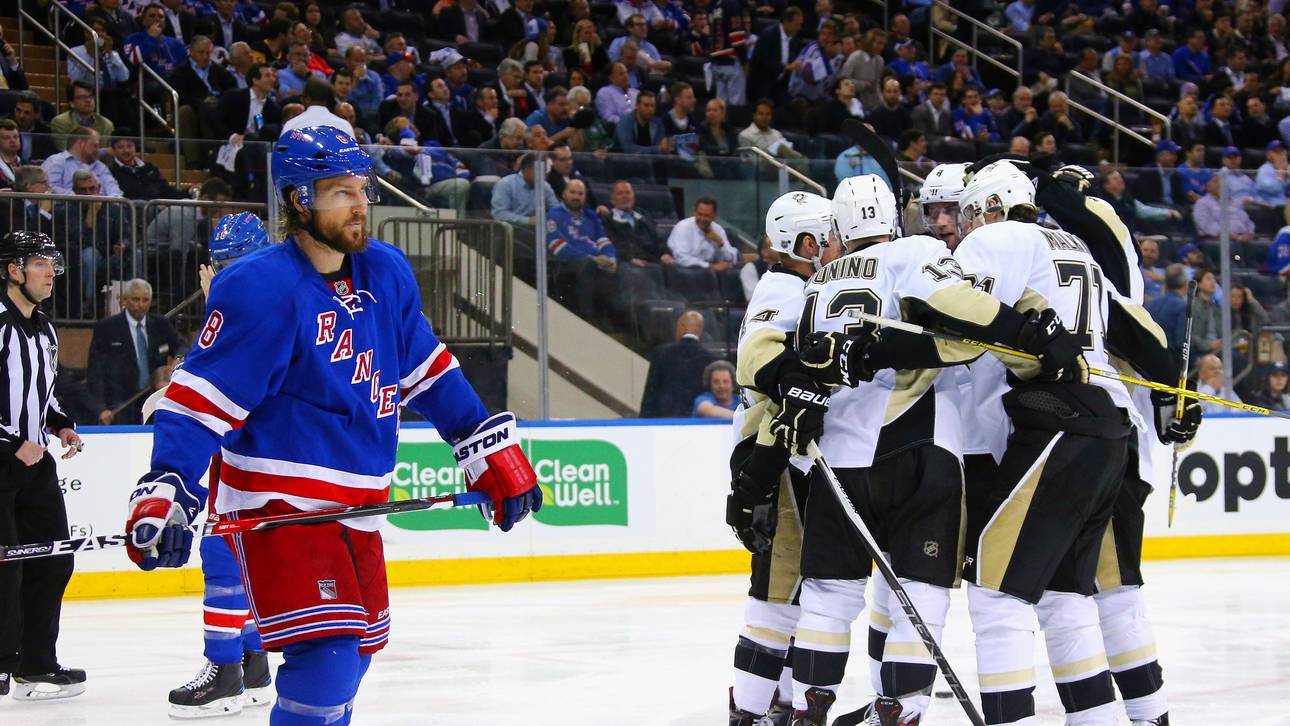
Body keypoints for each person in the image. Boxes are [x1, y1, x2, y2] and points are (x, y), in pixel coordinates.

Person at [124, 125, 542, 725]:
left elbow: (429, 370)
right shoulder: (259, 285)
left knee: (353, 663)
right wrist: (168, 485)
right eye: (341, 190)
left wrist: (483, 447)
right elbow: (198, 402)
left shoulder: (385, 272)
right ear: (299, 199)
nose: (360, 203)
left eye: (362, 188)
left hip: (359, 511)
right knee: (325, 664)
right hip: (283, 512)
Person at [783, 171, 1093, 726]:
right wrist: (1031, 338)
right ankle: (903, 710)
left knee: (830, 595)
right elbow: (962, 309)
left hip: (835, 457)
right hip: (920, 447)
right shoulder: (915, 251)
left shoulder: (818, 282)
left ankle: (809, 708)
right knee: (920, 591)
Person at [951, 161, 1191, 726]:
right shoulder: (1072, 245)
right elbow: (1142, 331)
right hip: (1112, 428)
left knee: (995, 588)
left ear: (992, 206)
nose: (965, 226)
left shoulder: (1002, 236)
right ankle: (1126, 716)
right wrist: (1178, 397)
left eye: (971, 212)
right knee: (1072, 592)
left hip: (1060, 420)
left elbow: (953, 311)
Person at [726, 190, 833, 725]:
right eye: (830, 234)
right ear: (807, 242)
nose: (838, 243)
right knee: (775, 588)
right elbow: (756, 359)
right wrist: (796, 381)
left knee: (794, 591)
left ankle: (780, 703)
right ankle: (748, 710)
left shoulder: (803, 287)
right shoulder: (783, 286)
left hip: (783, 450)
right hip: (771, 451)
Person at [166, 212, 273, 718]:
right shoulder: (271, 297)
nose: (225, 274)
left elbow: (215, 381)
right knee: (239, 555)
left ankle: (225, 668)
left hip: (250, 456)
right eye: (221, 266)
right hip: (251, 454)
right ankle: (252, 662)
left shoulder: (251, 308)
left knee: (224, 553)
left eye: (232, 264)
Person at [0, 232, 85, 702]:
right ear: (13, 270)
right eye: (40, 263)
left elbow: (44, 395)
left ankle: (36, 665)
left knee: (54, 559)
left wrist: (61, 426)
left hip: (36, 463)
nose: (50, 272)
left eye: (52, 263)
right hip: (3, 460)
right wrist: (13, 442)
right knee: (5, 567)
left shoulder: (45, 328)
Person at [86, 278, 184, 425]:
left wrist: (179, 357)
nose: (140, 305)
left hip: (153, 401)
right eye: (136, 299)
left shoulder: (160, 325)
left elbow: (181, 346)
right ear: (124, 300)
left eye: (145, 300)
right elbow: (95, 371)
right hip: (119, 406)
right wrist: (100, 408)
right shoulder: (106, 328)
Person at [546, 179, 619, 321]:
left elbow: (603, 240)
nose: (576, 196)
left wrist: (611, 258)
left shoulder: (591, 215)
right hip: (566, 264)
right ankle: (586, 318)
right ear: (564, 194)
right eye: (572, 192)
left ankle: (613, 321)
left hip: (594, 261)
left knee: (617, 267)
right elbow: (557, 246)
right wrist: (591, 258)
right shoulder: (554, 215)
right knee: (587, 265)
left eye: (580, 193)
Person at [639, 310, 716, 417]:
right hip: (697, 423)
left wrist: (643, 421)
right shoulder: (710, 358)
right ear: (700, 330)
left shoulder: (660, 353)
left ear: (682, 327)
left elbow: (650, 393)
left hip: (663, 420)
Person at [40, 127, 123, 197]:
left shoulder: (100, 166)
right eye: (95, 145)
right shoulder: (56, 162)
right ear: (81, 144)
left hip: (102, 210)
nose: (98, 150)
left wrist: (115, 199)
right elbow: (49, 188)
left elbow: (112, 187)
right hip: (68, 210)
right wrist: (81, 198)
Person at [109, 135, 186, 201]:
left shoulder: (149, 168)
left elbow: (166, 190)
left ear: (135, 147)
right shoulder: (112, 172)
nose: (126, 150)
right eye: (120, 147)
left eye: (129, 146)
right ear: (114, 150)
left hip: (159, 209)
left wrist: (187, 192)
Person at [668, 197, 737, 269]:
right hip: (685, 271)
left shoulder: (718, 229)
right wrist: (710, 266)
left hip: (711, 273)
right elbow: (682, 258)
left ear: (714, 216)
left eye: (707, 216)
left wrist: (720, 242)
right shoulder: (683, 227)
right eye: (700, 214)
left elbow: (731, 259)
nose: (702, 219)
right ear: (694, 213)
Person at [49, 81, 115, 150]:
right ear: (72, 103)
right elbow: (67, 153)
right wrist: (102, 152)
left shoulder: (107, 124)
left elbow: (109, 156)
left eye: (91, 96)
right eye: (82, 97)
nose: (89, 100)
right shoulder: (60, 122)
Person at [613, 90, 670, 154]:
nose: (650, 109)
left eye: (653, 105)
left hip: (649, 162)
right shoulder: (625, 121)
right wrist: (656, 149)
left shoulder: (657, 123)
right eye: (646, 105)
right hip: (623, 162)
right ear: (637, 106)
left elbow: (661, 148)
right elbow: (628, 148)